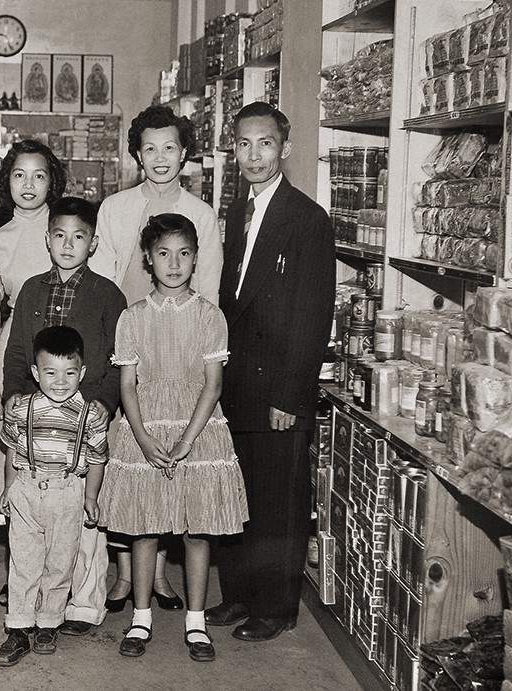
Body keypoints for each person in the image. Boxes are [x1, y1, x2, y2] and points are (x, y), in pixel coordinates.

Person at [206, 101, 335, 642]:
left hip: (279, 387)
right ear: (232, 150)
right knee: (237, 494)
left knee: (278, 502)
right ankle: (237, 595)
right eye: (243, 144)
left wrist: (291, 394)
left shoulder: (307, 219)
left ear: (285, 146)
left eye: (264, 143)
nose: (254, 154)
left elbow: (312, 315)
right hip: (237, 383)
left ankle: (276, 606)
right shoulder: (236, 212)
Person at [90, 104, 223, 613]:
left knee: (175, 461)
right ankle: (126, 575)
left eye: (170, 147)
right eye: (150, 148)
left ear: (185, 153)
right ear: (137, 155)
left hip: (182, 352)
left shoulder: (202, 214)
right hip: (126, 342)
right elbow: (103, 283)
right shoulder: (116, 208)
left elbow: (206, 291)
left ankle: (162, 576)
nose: (161, 158)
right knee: (129, 461)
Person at [98, 213, 248, 662]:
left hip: (198, 428)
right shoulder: (132, 317)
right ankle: (140, 616)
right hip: (144, 426)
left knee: (197, 530)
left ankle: (196, 622)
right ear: (148, 258)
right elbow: (127, 385)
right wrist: (142, 438)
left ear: (196, 258)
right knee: (146, 526)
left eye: (184, 254)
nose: (174, 263)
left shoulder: (209, 316)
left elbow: (213, 385)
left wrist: (186, 441)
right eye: (164, 253)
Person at [1, 196, 126, 636]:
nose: (68, 244)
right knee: (35, 521)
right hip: (38, 419)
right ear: (47, 238)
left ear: (92, 244)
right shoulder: (32, 289)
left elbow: (119, 358)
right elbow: (18, 350)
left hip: (84, 414)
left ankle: (85, 605)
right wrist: (14, 392)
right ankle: (32, 599)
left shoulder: (108, 293)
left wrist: (104, 403)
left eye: (79, 237)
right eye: (59, 235)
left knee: (84, 521)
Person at [0, 140, 68, 603]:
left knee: (67, 470)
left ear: (54, 182)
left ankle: (64, 579)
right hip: (18, 360)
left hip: (69, 362)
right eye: (18, 175)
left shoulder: (67, 230)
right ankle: (21, 575)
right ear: (4, 182)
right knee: (21, 473)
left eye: (39, 176)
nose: (28, 186)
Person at [0, 325, 109, 666]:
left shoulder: (89, 416)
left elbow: (98, 459)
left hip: (67, 491)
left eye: (70, 373)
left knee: (60, 563)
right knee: (24, 562)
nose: (60, 381)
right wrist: (8, 488)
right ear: (35, 373)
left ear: (82, 373)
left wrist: (91, 497)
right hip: (27, 489)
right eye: (51, 372)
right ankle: (18, 628)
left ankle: (48, 623)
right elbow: (12, 453)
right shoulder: (21, 409)